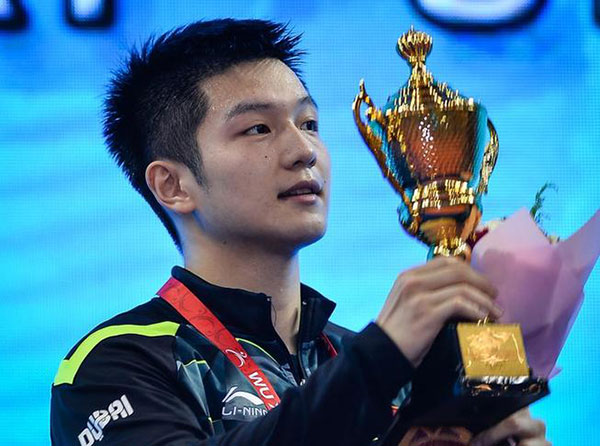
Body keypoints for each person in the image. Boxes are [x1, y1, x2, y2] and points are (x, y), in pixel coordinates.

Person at [50, 19, 550, 446]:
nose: (303, 150)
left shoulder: (360, 359)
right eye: (258, 129)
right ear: (174, 185)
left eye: (308, 123)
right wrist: (381, 359)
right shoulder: (115, 364)